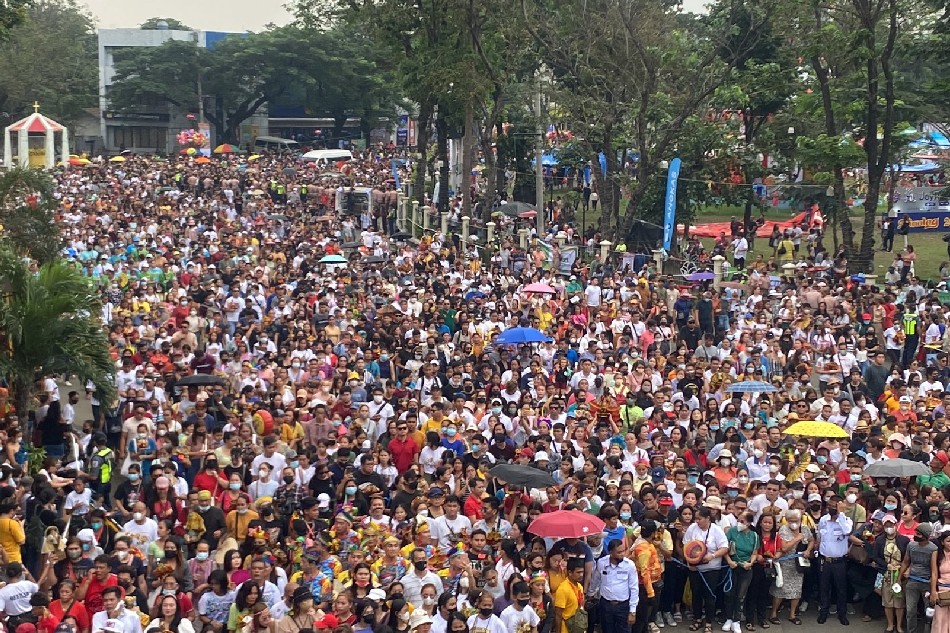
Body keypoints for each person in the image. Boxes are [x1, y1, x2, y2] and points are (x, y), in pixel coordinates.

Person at [816, 494, 853, 626]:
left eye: (834, 506)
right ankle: (823, 612)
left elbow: (847, 531)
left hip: (839, 562)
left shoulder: (846, 520)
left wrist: (840, 514)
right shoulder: (823, 520)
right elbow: (820, 536)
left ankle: (842, 614)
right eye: (830, 505)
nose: (831, 508)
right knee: (824, 588)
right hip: (825, 560)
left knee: (841, 589)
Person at [589, 538, 638, 633]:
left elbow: (634, 589)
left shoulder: (629, 565)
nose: (622, 554)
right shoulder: (601, 563)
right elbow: (595, 580)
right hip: (605, 605)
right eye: (619, 552)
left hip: (623, 606)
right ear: (611, 552)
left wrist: (632, 611)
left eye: (623, 551)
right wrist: (590, 594)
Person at [553, 559, 585, 633]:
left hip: (578, 626)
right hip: (566, 628)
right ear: (570, 572)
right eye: (578, 572)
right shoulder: (563, 589)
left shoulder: (580, 586)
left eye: (582, 572)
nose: (581, 575)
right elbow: (558, 615)